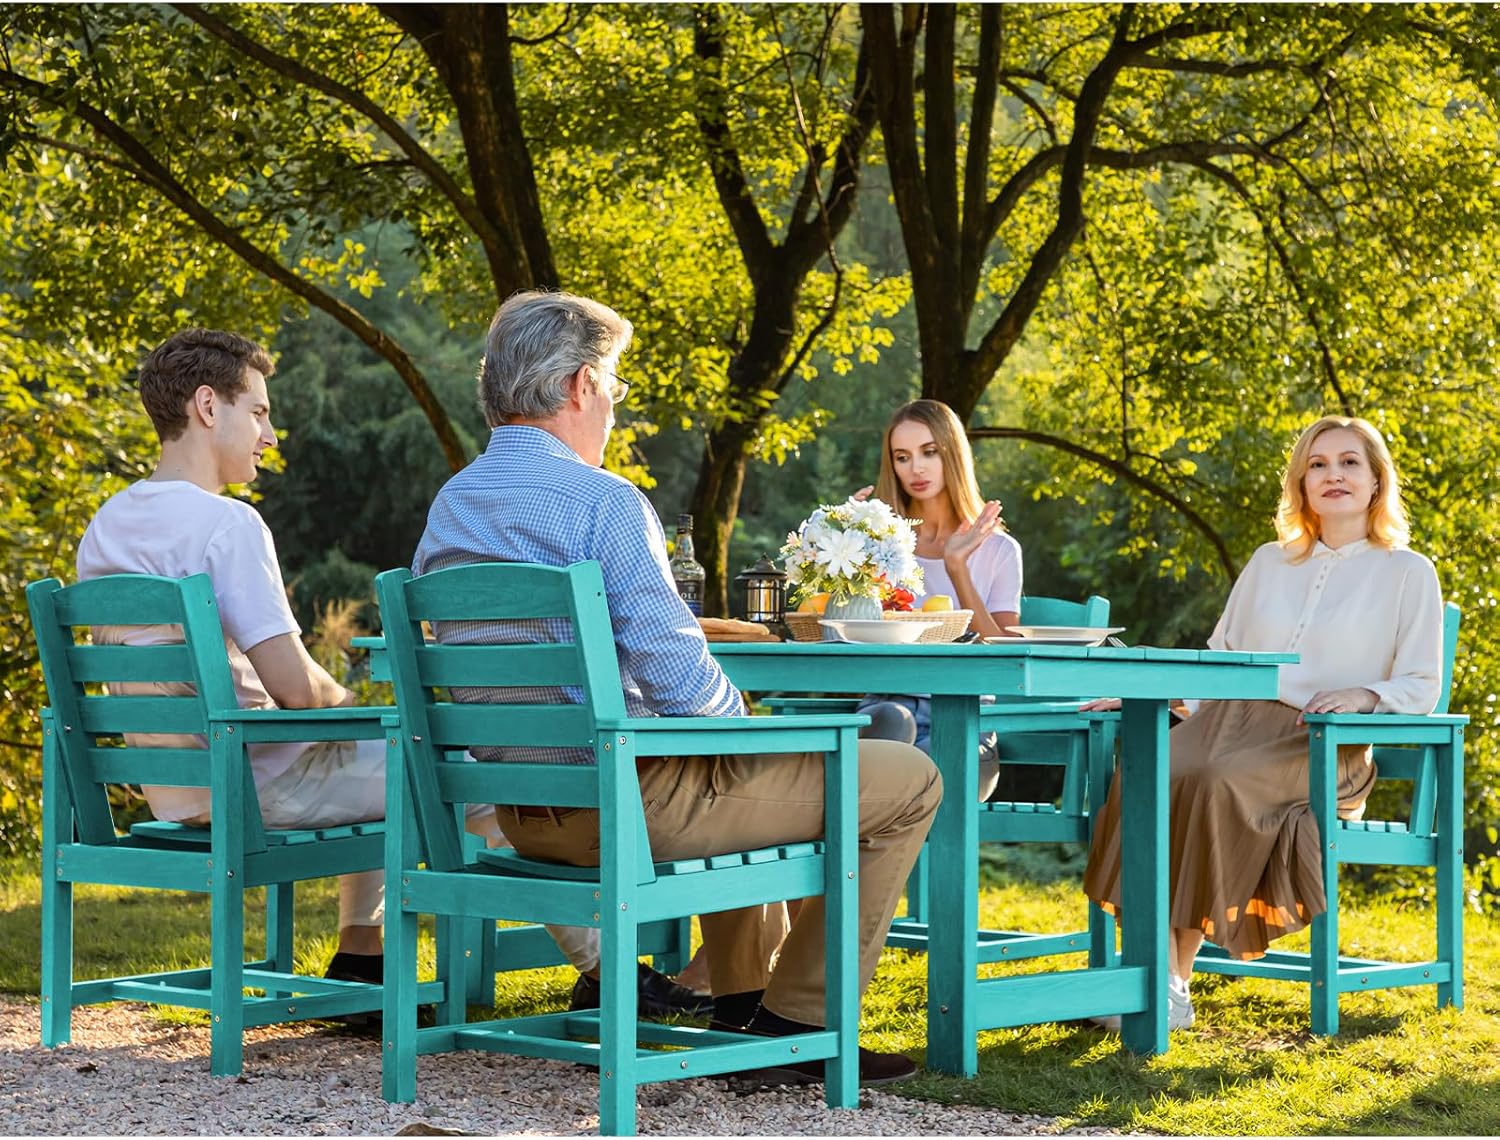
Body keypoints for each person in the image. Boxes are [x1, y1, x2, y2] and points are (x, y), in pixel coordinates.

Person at [412, 289, 943, 1087]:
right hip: (622, 813)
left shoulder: (451, 506)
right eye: (615, 389)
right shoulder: (607, 504)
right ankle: (801, 1022)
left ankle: (741, 1003)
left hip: (523, 817)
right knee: (906, 778)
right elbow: (686, 690)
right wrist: (757, 727)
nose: (613, 410)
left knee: (729, 761)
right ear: (579, 386)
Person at [74, 328, 672, 1014]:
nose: (269, 434)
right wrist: (354, 701)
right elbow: (297, 689)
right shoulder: (227, 525)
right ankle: (611, 974)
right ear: (208, 406)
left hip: (174, 787)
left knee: (378, 758)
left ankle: (362, 959)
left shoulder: (108, 524)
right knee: (462, 775)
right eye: (260, 412)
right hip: (257, 786)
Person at [1080, 414, 1443, 1030]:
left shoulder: (1409, 572)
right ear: (1301, 484)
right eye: (1317, 465)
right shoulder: (1269, 561)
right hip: (1227, 722)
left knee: (1213, 779)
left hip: (1320, 742)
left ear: (1377, 480)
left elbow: (1422, 686)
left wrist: (1362, 694)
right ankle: (1152, 977)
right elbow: (1222, 657)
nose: (1333, 476)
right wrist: (1155, 697)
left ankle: (1165, 983)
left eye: (1349, 463)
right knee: (1150, 769)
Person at [853, 399, 1021, 799]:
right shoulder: (877, 540)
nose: (917, 468)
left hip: (964, 718)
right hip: (887, 703)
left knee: (927, 767)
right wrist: (848, 546)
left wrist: (957, 567)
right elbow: (848, 633)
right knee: (891, 723)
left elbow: (1008, 654)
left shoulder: (1000, 550)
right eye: (903, 457)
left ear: (952, 452)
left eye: (930, 452)